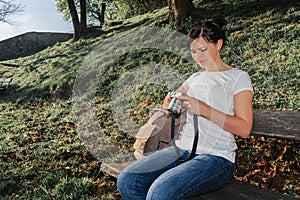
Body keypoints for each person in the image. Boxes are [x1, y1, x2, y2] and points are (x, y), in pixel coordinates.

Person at [117, 16, 253, 200]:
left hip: (216, 157)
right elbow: (171, 101)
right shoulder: (195, 78)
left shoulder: (237, 77)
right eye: (193, 52)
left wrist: (204, 109)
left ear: (219, 44)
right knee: (128, 180)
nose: (198, 57)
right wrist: (171, 100)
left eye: (203, 50)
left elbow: (244, 128)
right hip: (181, 149)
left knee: (159, 193)